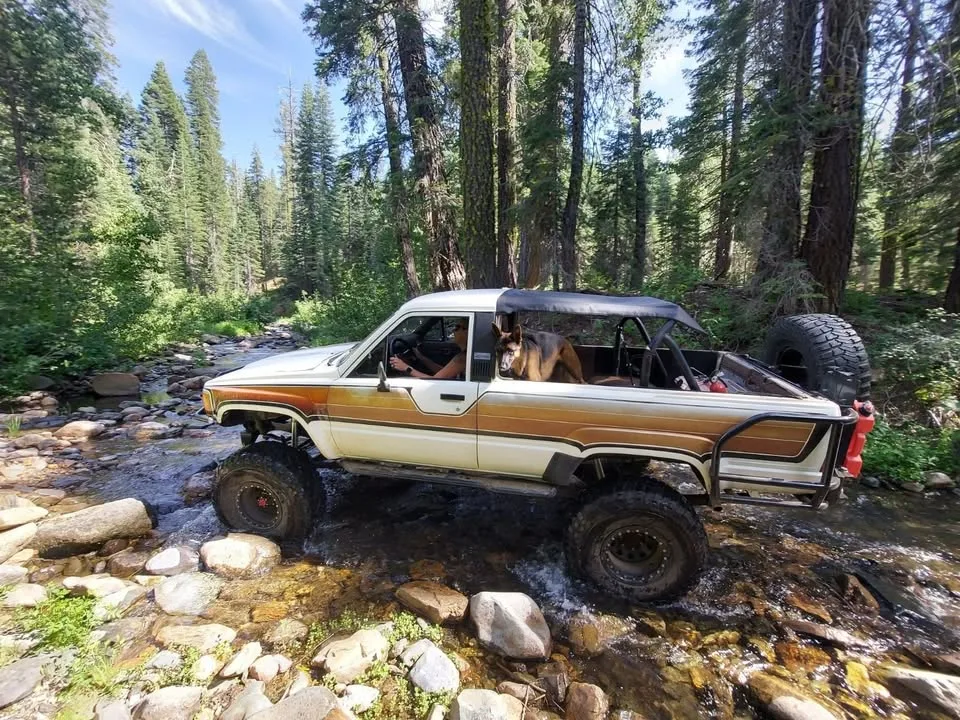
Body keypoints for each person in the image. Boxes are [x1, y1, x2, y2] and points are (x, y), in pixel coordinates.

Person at [389, 319, 468, 379]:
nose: (453, 330)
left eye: (457, 327)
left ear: (468, 331)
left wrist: (406, 368)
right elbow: (444, 372)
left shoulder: (462, 359)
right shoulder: (465, 355)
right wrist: (422, 358)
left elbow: (435, 381)